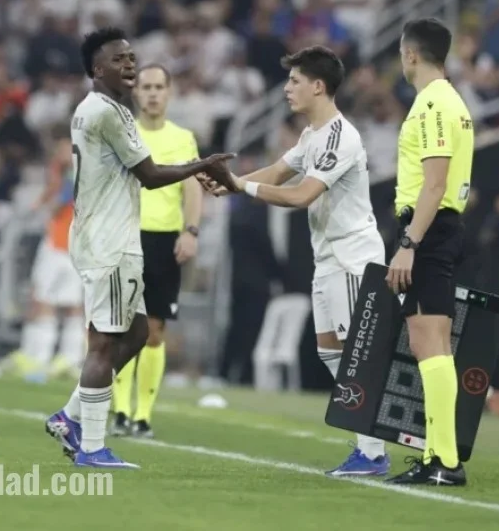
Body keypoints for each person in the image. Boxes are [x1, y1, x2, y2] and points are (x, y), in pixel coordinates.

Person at [42, 27, 236, 469]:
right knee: (105, 341)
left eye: (131, 58)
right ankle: (92, 447)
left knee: (137, 333)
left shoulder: (99, 108)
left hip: (108, 235)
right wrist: (202, 165)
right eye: (119, 60)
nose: (129, 65)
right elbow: (148, 175)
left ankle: (70, 416)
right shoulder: (107, 113)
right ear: (97, 69)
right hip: (109, 240)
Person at [202, 45, 390, 477]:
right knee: (330, 352)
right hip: (327, 257)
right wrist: (229, 183)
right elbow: (277, 172)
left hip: (352, 256)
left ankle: (373, 452)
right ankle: (369, 441)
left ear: (318, 86)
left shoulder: (341, 137)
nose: (286, 88)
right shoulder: (312, 136)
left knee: (356, 356)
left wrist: (241, 188)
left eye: (294, 81)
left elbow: (301, 195)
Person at [383, 18, 474, 486]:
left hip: (429, 229)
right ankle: (441, 456)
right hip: (436, 228)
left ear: (410, 54)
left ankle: (444, 460)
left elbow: (434, 184)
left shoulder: (434, 102)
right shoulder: (449, 100)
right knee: (429, 343)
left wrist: (408, 244)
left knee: (430, 343)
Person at [111, 64, 203, 439]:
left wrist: (191, 230)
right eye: (146, 87)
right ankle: (120, 410)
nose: (152, 93)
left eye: (158, 87)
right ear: (136, 92)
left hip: (164, 240)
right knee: (120, 327)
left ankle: (143, 415)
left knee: (153, 330)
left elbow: (193, 187)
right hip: (126, 237)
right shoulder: (123, 133)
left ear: (169, 92)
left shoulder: (183, 138)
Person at [8, 137, 86, 382]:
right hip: (74, 245)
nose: (60, 153)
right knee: (69, 302)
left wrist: (43, 205)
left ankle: (39, 357)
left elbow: (57, 204)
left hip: (61, 245)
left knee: (45, 299)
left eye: (65, 148)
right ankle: (68, 359)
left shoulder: (75, 173)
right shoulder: (65, 171)